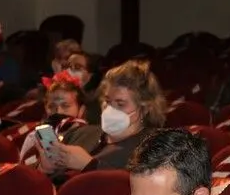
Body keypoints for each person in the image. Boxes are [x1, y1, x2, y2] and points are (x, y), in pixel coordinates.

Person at [36, 59, 165, 178]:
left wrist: (89, 165)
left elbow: (135, 187)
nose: (110, 109)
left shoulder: (153, 150)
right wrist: (45, 169)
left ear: (144, 108)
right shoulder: (80, 133)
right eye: (107, 101)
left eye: (120, 104)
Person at [19, 71, 99, 162]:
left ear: (81, 110)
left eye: (65, 106)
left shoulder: (91, 134)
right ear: (45, 108)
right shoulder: (34, 137)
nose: (58, 111)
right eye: (52, 107)